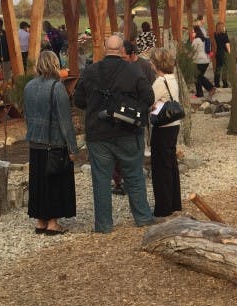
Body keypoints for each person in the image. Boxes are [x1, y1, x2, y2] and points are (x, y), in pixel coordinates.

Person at [73, 34, 155, 231]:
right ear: (121, 50)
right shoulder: (133, 71)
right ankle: (143, 217)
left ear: (103, 48)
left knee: (101, 179)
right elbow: (149, 97)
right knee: (134, 175)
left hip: (98, 133)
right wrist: (133, 110)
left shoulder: (91, 71)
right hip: (128, 131)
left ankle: (104, 224)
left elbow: (78, 101)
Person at [24, 50, 79, 235]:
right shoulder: (57, 87)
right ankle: (53, 223)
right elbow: (65, 121)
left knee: (38, 182)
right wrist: (72, 148)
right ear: (55, 64)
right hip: (54, 142)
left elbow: (27, 115)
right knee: (55, 183)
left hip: (35, 142)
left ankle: (40, 221)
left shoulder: (29, 86)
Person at [149, 48, 183, 218]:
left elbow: (148, 101)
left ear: (157, 64)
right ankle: (174, 201)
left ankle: (163, 206)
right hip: (173, 125)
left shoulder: (159, 82)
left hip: (162, 128)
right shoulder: (173, 79)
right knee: (170, 164)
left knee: (161, 167)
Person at [191, 25, 215, 98]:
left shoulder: (196, 40)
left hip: (199, 61)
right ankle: (201, 93)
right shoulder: (203, 39)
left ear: (196, 32)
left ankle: (210, 88)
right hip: (206, 60)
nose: (192, 33)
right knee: (199, 77)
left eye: (193, 32)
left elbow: (193, 51)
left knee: (198, 77)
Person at [213, 22, 231, 89]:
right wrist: (230, 53)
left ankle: (216, 83)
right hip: (224, 53)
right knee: (225, 69)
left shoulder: (215, 35)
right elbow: (227, 45)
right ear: (222, 28)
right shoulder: (224, 35)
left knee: (218, 68)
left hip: (218, 53)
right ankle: (225, 83)